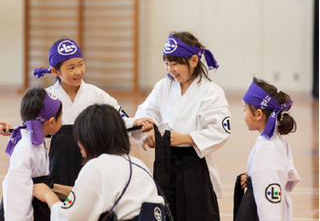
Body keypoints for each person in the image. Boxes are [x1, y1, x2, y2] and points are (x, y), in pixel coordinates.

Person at [133, 32, 231, 221]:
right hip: (165, 163)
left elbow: (221, 130)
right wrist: (149, 130)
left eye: (175, 64)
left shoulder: (211, 92)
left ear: (194, 60)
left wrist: (185, 138)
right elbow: (145, 114)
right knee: (166, 214)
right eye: (167, 64)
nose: (170, 69)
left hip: (195, 165)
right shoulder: (163, 87)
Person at [31, 38, 154, 187]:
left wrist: (136, 123)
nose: (78, 72)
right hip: (57, 166)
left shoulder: (97, 95)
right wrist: (13, 131)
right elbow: (33, 131)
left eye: (81, 64)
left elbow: (116, 118)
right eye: (71, 68)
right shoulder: (46, 98)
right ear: (55, 71)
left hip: (92, 164)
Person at [33, 104, 165, 221]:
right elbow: (92, 194)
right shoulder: (138, 163)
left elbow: (66, 218)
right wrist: (53, 187)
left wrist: (48, 195)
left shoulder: (97, 166)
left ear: (89, 139)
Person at [233, 77, 301, 221]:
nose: (243, 116)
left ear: (258, 114)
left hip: (259, 213)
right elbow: (289, 178)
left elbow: (270, 200)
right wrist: (253, 179)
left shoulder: (267, 147)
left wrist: (257, 182)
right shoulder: (278, 140)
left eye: (245, 110)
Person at [1, 87, 63, 221]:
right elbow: (17, 198)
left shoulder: (36, 137)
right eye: (61, 116)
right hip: (28, 211)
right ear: (51, 122)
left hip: (38, 207)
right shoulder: (25, 149)